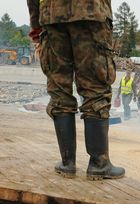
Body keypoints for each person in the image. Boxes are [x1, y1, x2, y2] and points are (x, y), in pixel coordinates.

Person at [27, 0, 125, 180]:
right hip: (90, 13)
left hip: (52, 17)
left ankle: (67, 163)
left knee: (59, 89)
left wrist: (36, 26)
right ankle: (99, 164)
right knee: (95, 87)